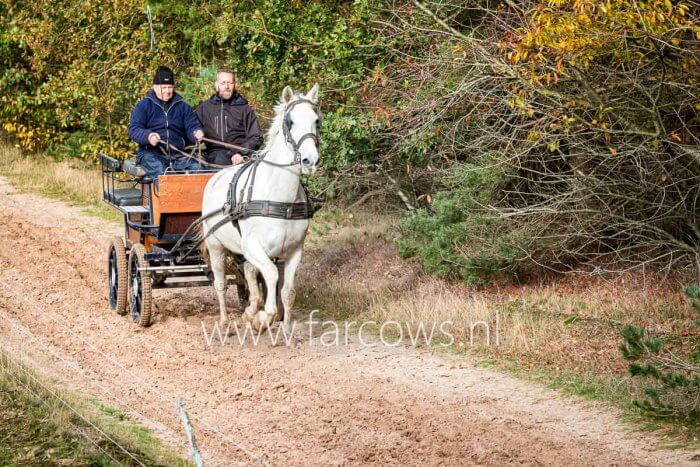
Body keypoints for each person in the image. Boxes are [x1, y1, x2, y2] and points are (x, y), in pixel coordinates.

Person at [128, 66, 204, 180]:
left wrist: (197, 133)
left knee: (198, 168)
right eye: (164, 87)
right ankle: (166, 197)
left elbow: (192, 126)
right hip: (150, 154)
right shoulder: (143, 106)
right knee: (161, 172)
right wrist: (148, 136)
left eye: (170, 87)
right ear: (155, 87)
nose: (168, 91)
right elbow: (134, 130)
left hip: (178, 155)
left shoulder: (183, 107)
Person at [195, 69, 263, 167]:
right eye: (223, 83)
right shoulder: (205, 107)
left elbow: (256, 137)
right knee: (218, 159)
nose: (227, 86)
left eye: (230, 83)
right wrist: (196, 133)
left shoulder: (244, 108)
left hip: (242, 154)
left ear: (235, 85)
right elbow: (193, 128)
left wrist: (241, 153)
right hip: (215, 155)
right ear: (217, 85)